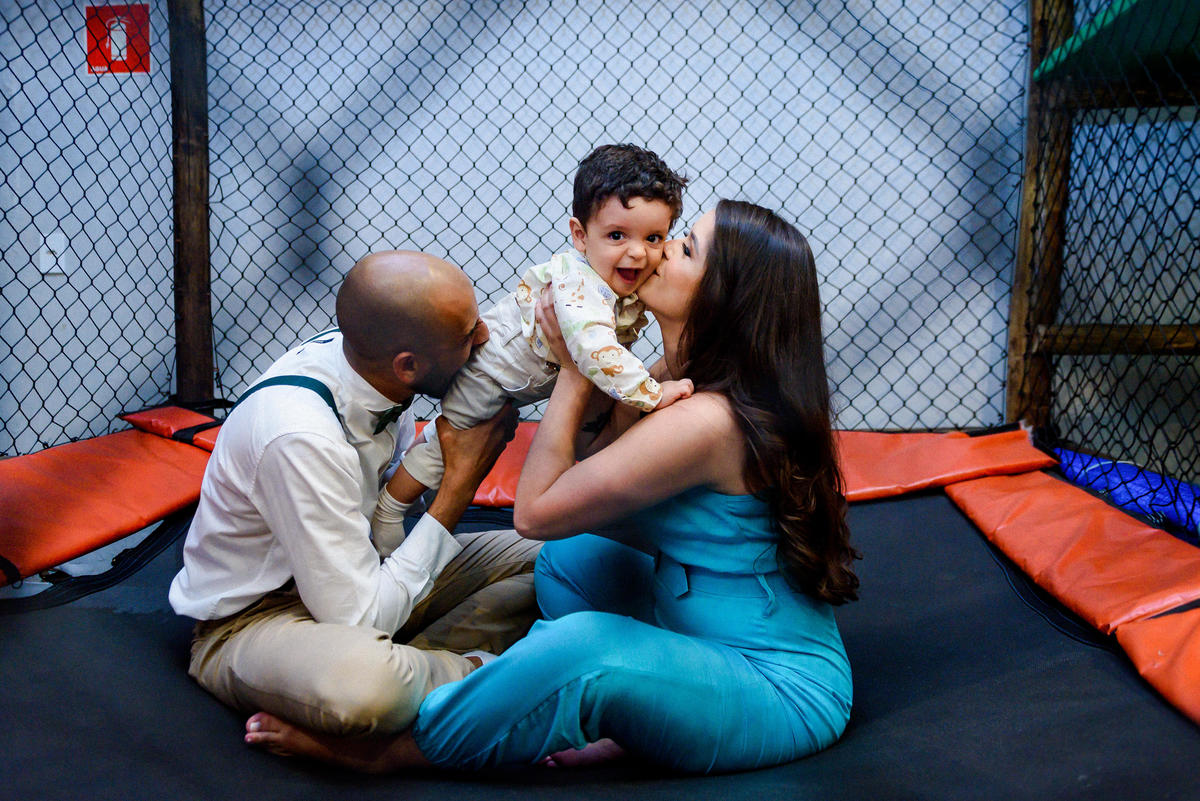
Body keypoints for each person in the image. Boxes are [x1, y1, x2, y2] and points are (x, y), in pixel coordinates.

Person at [244, 200, 861, 774]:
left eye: (687, 249)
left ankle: (399, 750)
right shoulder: (675, 376)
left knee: (584, 646)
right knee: (569, 561)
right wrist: (591, 350)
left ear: (725, 297)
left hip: (775, 689)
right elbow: (592, 467)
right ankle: (625, 709)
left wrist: (572, 368)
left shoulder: (707, 422)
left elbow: (536, 512)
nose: (663, 248)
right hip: (692, 628)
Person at [169, 250, 543, 737]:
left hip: (360, 579)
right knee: (367, 687)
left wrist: (458, 441)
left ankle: (412, 672)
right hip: (256, 620)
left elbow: (388, 516)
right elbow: (360, 615)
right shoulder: (300, 435)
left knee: (556, 560)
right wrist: (459, 487)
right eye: (467, 335)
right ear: (408, 366)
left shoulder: (371, 365)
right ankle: (495, 677)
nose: (486, 337)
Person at [371, 144, 693, 552]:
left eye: (654, 238)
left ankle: (403, 487)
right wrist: (651, 393)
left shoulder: (620, 277)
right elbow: (595, 351)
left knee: (446, 435)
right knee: (446, 445)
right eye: (617, 235)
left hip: (517, 382)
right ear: (580, 235)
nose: (638, 252)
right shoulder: (581, 285)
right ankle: (390, 507)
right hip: (489, 376)